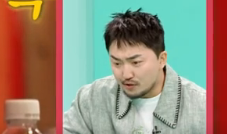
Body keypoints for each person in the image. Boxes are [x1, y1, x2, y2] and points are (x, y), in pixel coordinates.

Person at [62, 9, 207, 134]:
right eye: (117, 63)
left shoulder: (203, 108)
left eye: (136, 62)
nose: (126, 75)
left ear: (162, 59)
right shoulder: (90, 99)